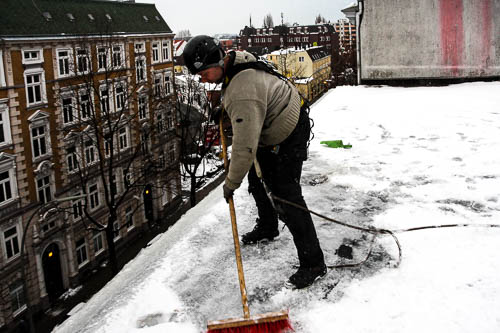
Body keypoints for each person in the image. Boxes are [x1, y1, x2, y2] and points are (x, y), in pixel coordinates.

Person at [183, 35, 326, 289]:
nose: (201, 78)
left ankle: (313, 263)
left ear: (217, 61)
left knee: (287, 197)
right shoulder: (234, 62)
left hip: (288, 130)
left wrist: (230, 184)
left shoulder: (241, 93)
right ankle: (269, 226)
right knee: (258, 179)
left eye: (203, 72)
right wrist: (225, 108)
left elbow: (244, 147)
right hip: (272, 118)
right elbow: (246, 96)